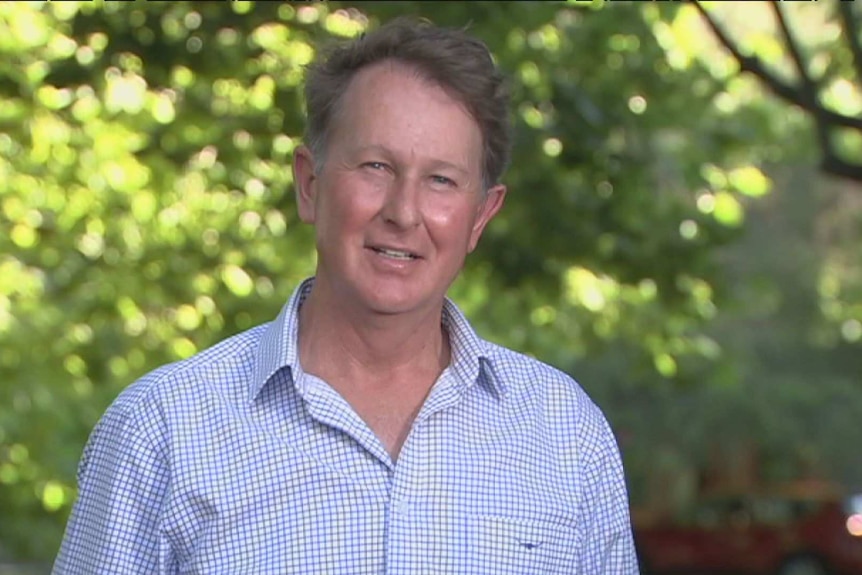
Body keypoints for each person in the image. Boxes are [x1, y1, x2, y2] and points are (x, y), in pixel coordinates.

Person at [54, 17, 639, 574]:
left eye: (441, 180)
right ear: (310, 184)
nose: (403, 212)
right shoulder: (162, 431)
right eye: (376, 166)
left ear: (481, 216)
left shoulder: (564, 434)